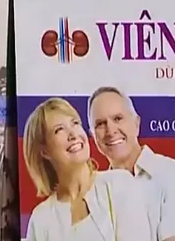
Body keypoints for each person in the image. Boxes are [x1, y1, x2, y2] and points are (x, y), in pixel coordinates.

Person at [23, 97, 155, 241]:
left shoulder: (119, 183)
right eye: (59, 130)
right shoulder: (40, 219)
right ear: (44, 151)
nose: (73, 135)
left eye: (75, 123)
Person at [87, 86, 175, 241]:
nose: (110, 130)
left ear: (136, 124)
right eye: (100, 124)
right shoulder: (95, 193)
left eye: (117, 119)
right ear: (93, 136)